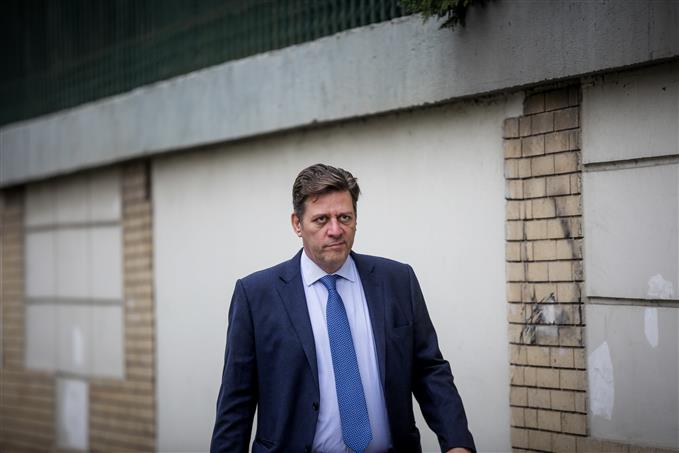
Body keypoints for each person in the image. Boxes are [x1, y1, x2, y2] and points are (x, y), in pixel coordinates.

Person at [211, 164, 475, 453]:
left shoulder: (397, 281)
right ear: (297, 224)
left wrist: (457, 442)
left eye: (344, 217)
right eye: (321, 219)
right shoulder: (256, 295)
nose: (335, 230)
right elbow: (236, 401)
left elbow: (429, 370)